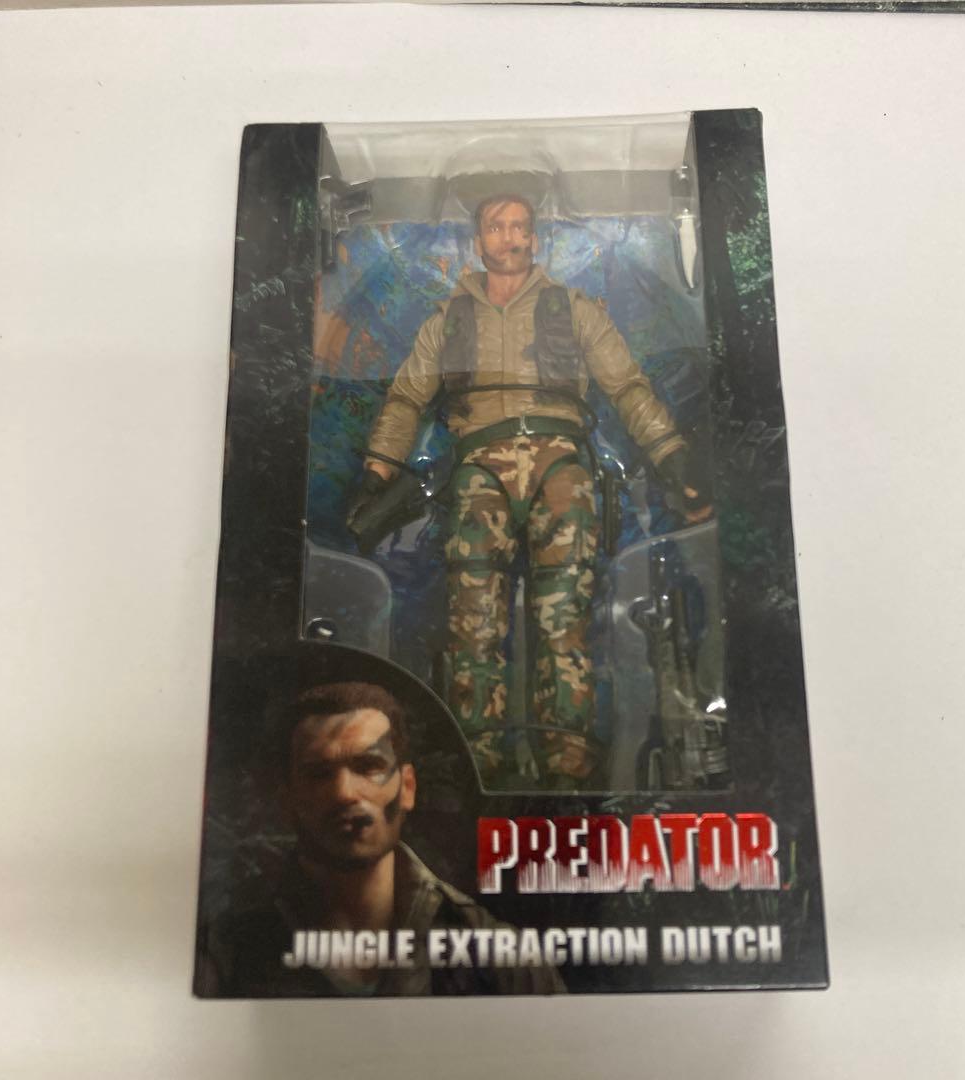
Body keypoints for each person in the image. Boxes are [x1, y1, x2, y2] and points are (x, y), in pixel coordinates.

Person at [348, 193, 712, 789]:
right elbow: (407, 398)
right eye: (497, 227)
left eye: (520, 226)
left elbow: (626, 386)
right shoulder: (448, 320)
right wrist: (377, 474)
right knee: (472, 624)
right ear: (479, 242)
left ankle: (569, 773)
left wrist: (671, 457)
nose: (510, 237)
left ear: (535, 238)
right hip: (478, 467)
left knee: (565, 620)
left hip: (561, 464)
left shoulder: (573, 310)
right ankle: (478, 769)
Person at [196, 679, 562, 996]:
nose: (344, 793)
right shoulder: (225, 952)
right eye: (319, 774)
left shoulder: (498, 954)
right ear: (287, 798)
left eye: (368, 767)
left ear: (407, 788)